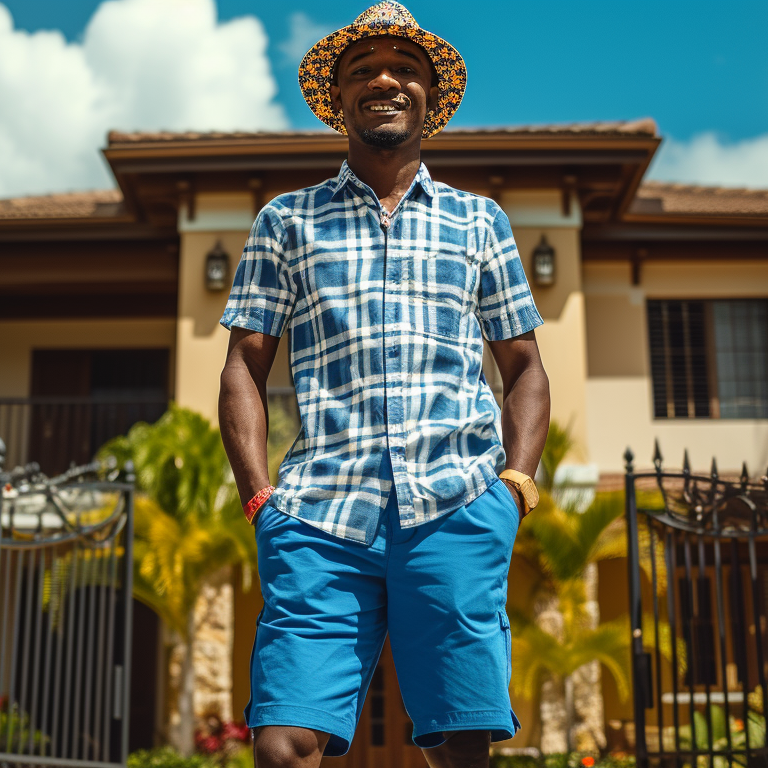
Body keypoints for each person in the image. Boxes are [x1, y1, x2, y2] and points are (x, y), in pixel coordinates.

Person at [218, 3, 550, 766]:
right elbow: (244, 364)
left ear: (432, 97)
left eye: (405, 69)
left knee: (461, 747)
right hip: (320, 517)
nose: (385, 81)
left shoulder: (480, 222)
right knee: (282, 744)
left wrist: (514, 486)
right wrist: (260, 496)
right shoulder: (287, 221)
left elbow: (526, 369)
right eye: (362, 71)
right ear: (338, 100)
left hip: (459, 507)